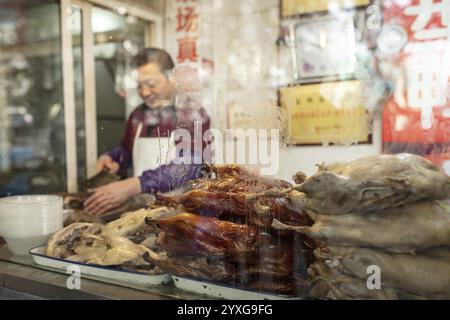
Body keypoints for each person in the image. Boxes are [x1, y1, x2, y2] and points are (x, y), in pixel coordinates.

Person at [84, 48, 210, 214]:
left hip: (181, 214)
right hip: (141, 211)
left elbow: (189, 165)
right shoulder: (138, 115)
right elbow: (127, 150)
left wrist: (135, 185)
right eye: (139, 86)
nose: (144, 92)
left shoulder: (191, 114)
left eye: (151, 84)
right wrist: (113, 158)